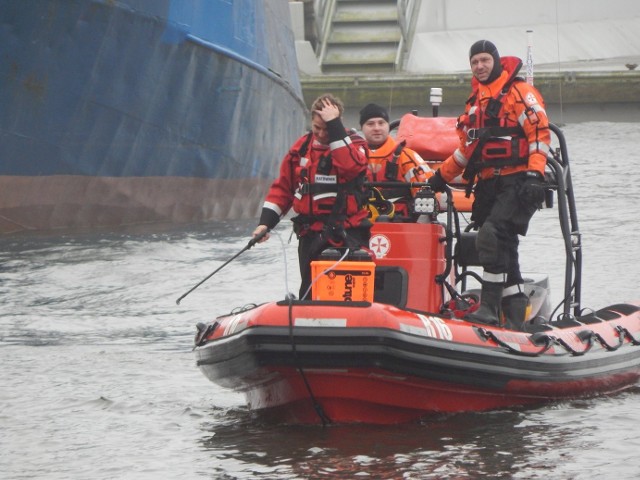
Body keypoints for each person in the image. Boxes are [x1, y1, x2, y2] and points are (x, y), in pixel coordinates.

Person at [427, 40, 551, 330]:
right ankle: (516, 311)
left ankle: (489, 309)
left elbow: (539, 135)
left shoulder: (520, 93)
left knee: (491, 237)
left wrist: (535, 174)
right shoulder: (475, 102)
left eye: (484, 60)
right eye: (474, 62)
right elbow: (466, 151)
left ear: (495, 61)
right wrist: (439, 177)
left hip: (519, 180)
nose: (480, 66)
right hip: (489, 183)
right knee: (505, 246)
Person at [252, 94, 371, 299]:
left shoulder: (355, 144)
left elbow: (350, 167)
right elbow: (283, 189)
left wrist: (335, 129)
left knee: (347, 292)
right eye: (317, 128)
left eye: (327, 128)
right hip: (310, 235)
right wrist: (265, 223)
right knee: (309, 291)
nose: (322, 133)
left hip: (348, 234)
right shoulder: (302, 147)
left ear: (338, 121)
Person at [359, 103, 432, 220]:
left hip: (401, 225)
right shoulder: (353, 157)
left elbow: (428, 193)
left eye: (381, 123)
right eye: (370, 124)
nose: (377, 128)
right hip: (360, 226)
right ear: (362, 128)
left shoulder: (406, 156)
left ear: (388, 126)